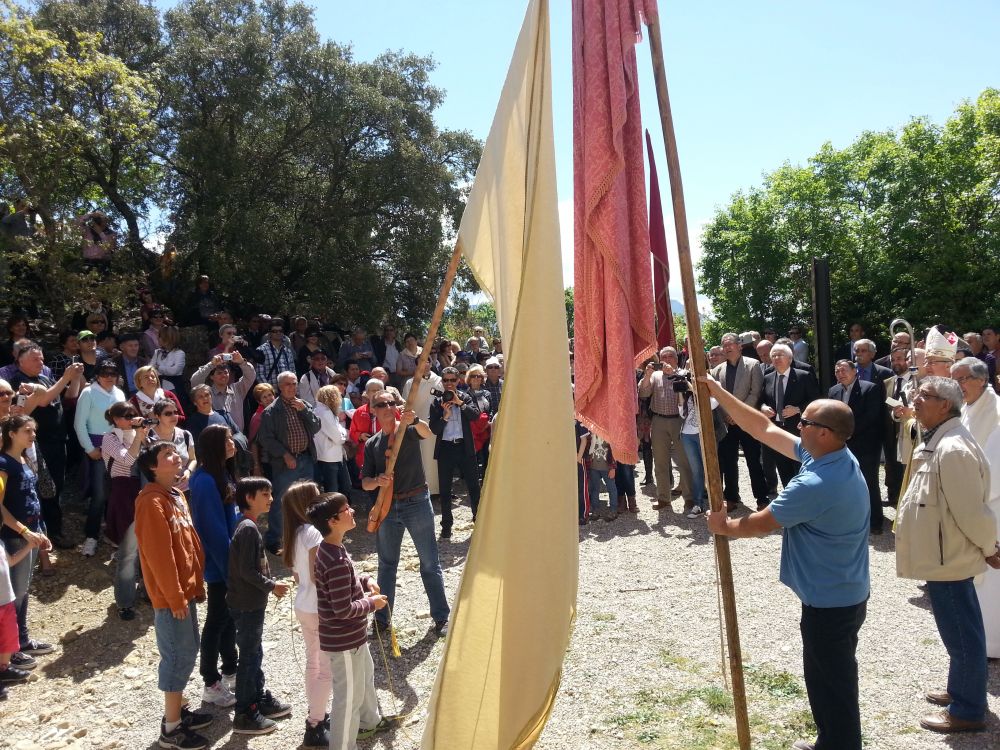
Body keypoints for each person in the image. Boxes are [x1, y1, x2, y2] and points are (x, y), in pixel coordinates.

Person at [701, 374, 870, 750]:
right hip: (841, 593)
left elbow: (759, 524)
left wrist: (724, 525)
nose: (798, 425)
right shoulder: (833, 456)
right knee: (829, 679)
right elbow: (762, 427)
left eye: (805, 422)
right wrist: (716, 391)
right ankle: (832, 741)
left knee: (832, 685)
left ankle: (839, 745)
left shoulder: (817, 484)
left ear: (824, 433)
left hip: (831, 602)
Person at [893, 376, 999, 734]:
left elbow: (972, 512)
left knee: (963, 635)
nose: (916, 399)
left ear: (946, 405)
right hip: (943, 557)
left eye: (927, 395)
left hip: (949, 559)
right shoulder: (940, 439)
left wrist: (991, 547)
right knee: (958, 632)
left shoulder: (952, 448)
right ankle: (961, 691)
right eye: (918, 393)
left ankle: (968, 710)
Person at [134, 441, 213, 750]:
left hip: (185, 590)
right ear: (153, 467)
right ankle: (171, 729)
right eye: (167, 455)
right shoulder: (150, 502)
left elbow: (189, 542)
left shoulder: (177, 495)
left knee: (188, 648)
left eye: (174, 452)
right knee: (177, 655)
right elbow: (159, 554)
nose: (176, 456)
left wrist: (194, 584)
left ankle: (178, 712)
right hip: (171, 596)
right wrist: (175, 595)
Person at [307, 493, 402, 749]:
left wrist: (365, 580)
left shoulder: (333, 548)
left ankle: (370, 721)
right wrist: (373, 604)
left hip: (352, 640)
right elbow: (343, 609)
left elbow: (344, 585)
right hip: (345, 643)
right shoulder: (335, 559)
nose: (352, 511)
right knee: (347, 700)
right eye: (346, 509)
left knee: (365, 679)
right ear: (333, 520)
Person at [362, 391, 449, 637]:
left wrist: (414, 420)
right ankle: (382, 619)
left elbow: (427, 432)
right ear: (374, 410)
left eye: (392, 402)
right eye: (382, 404)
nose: (388, 407)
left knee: (430, 563)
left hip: (417, 501)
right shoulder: (372, 444)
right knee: (387, 565)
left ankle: (442, 617)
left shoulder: (407, 430)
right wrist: (378, 481)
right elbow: (365, 482)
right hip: (389, 508)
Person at [227, 477, 291, 734]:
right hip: (247, 603)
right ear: (249, 498)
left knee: (254, 653)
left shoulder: (249, 526)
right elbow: (246, 571)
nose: (271, 499)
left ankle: (257, 699)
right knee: (250, 656)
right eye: (265, 494)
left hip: (249, 601)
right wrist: (271, 586)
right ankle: (245, 712)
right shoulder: (248, 529)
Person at [187, 425, 239, 709]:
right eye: (227, 439)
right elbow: (214, 532)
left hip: (229, 562)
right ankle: (210, 681)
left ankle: (231, 668)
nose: (232, 443)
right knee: (217, 621)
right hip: (221, 566)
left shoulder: (221, 474)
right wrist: (231, 569)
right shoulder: (205, 481)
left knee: (229, 618)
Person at [951, 357, 1000, 659]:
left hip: (991, 506)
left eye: (963, 380)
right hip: (973, 501)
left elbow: (993, 470)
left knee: (991, 582)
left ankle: (990, 644)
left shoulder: (995, 412)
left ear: (981, 380)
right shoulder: (968, 408)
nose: (958, 387)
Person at [0, 415, 55, 665]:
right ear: (11, 433)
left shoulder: (23, 459)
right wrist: (25, 532)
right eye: (27, 431)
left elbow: (32, 497)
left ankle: (21, 640)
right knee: (16, 592)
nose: (32, 435)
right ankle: (11, 648)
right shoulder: (3, 463)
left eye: (34, 431)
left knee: (24, 590)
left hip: (32, 532)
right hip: (16, 536)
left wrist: (40, 532)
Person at [281, 481, 331, 748]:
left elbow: (299, 574)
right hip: (318, 606)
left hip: (303, 604)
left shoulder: (296, 533)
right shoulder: (313, 533)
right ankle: (315, 722)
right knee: (326, 670)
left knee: (313, 662)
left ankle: (316, 715)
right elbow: (315, 574)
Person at [255, 372, 321, 554]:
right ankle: (275, 539)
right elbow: (266, 439)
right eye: (287, 385)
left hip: (306, 458)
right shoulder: (271, 411)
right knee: (281, 501)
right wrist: (285, 454)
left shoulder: (302, 404)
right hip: (285, 464)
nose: (291, 387)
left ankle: (306, 536)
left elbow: (316, 426)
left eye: (294, 384)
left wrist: (304, 410)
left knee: (308, 498)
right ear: (279, 388)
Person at [74, 359, 125, 557]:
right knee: (99, 494)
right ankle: (91, 536)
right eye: (105, 373)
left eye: (113, 373)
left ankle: (112, 533)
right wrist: (89, 448)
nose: (110, 377)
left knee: (116, 492)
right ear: (97, 374)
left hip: (118, 445)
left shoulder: (119, 393)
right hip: (98, 447)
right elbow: (79, 424)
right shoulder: (88, 393)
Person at [100, 402, 146, 620]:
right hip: (124, 492)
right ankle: (125, 602)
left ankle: (147, 590)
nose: (131, 420)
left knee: (148, 547)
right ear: (115, 419)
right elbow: (127, 460)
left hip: (144, 491)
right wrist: (138, 436)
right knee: (128, 553)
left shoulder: (140, 433)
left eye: (133, 415)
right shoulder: (109, 438)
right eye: (127, 416)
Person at [829, 360, 886, 534]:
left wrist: (848, 432)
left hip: (866, 444)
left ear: (855, 371)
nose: (840, 373)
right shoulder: (834, 391)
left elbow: (871, 416)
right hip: (841, 444)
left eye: (844, 370)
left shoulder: (870, 388)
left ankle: (875, 522)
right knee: (844, 482)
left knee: (869, 482)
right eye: (837, 370)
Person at [639, 347, 696, 511]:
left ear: (676, 359)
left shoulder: (684, 373)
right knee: (661, 461)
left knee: (684, 461)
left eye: (671, 356)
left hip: (680, 421)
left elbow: (690, 391)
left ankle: (689, 497)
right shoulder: (655, 376)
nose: (668, 359)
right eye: (664, 356)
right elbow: (643, 394)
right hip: (658, 421)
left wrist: (674, 374)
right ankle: (663, 498)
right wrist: (647, 375)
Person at [429, 366, 483, 538]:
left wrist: (460, 403)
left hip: (464, 447)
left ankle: (479, 522)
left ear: (458, 380)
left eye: (453, 380)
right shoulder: (437, 401)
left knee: (474, 487)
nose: (449, 384)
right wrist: (444, 416)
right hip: (445, 449)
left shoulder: (465, 396)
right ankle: (446, 527)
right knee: (445, 491)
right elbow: (434, 429)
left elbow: (476, 416)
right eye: (446, 380)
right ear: (442, 382)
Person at [0, 524, 38, 699]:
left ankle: (4, 669)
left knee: (9, 639)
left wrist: (29, 546)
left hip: (6, 601)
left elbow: (10, 561)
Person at [190, 351, 256, 433]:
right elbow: (194, 381)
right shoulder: (207, 393)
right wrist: (211, 364)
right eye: (219, 373)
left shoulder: (237, 389)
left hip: (237, 436)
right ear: (211, 377)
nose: (223, 375)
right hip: (217, 437)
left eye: (226, 372)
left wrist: (241, 361)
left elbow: (251, 375)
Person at [314, 385, 351, 495]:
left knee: (343, 487)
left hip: (332, 456)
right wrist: (344, 433)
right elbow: (339, 438)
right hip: (330, 458)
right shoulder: (325, 413)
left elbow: (338, 432)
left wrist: (341, 432)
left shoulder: (322, 411)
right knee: (333, 491)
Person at [255, 321, 296, 389]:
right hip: (270, 393)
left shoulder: (287, 351)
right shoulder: (261, 350)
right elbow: (259, 374)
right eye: (274, 331)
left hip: (287, 390)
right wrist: (269, 391)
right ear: (269, 333)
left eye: (280, 331)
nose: (278, 333)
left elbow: (293, 371)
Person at [150, 326, 186, 394]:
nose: (158, 338)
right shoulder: (157, 352)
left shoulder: (179, 353)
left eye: (160, 336)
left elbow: (173, 371)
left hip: (174, 388)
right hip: (158, 387)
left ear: (167, 338)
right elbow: (150, 368)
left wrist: (158, 367)